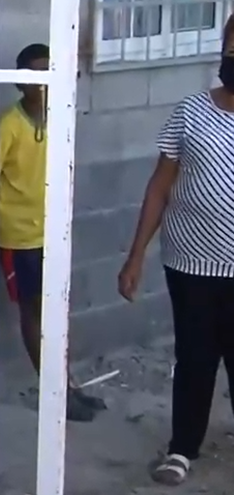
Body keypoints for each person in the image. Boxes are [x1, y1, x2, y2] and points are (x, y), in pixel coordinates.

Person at [118, 15, 234, 486]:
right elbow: (159, 186)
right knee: (196, 357)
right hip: (190, 264)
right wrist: (135, 255)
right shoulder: (190, 112)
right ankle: (182, 448)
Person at [0, 43, 106, 423]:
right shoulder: (9, 125)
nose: (44, 83)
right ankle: (54, 393)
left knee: (55, 310)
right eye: (36, 75)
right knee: (33, 311)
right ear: (21, 83)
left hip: (51, 231)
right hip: (19, 236)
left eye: (50, 73)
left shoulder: (58, 118)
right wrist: (3, 216)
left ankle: (66, 385)